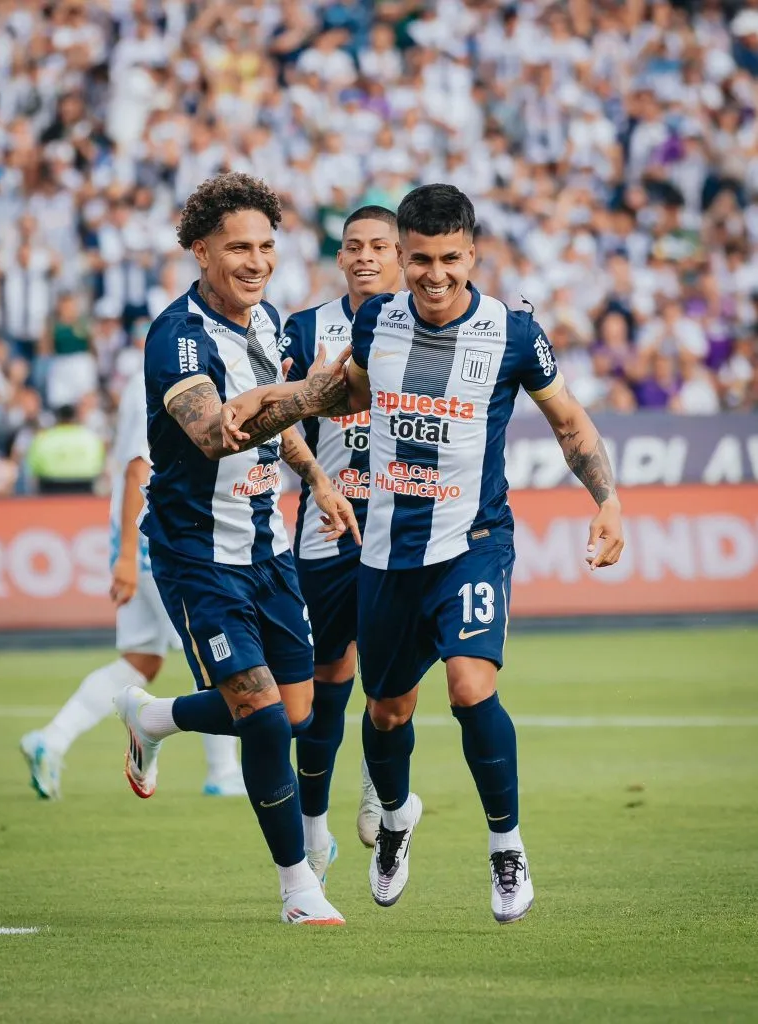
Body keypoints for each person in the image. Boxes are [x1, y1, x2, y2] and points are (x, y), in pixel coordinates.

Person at [220, 183, 625, 925]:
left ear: (472, 255)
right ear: (401, 257)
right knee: (385, 713)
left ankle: (505, 846)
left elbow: (569, 423)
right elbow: (346, 395)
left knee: (470, 688)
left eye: (449, 260)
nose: (435, 276)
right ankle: (396, 818)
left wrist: (607, 500)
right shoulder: (377, 320)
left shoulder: (512, 334)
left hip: (472, 543)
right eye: (420, 261)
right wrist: (272, 401)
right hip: (385, 555)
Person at [113, 172, 359, 926]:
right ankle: (297, 888)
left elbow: (273, 420)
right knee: (260, 716)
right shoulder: (177, 338)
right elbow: (213, 433)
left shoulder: (268, 321)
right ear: (201, 251)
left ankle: (155, 719)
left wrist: (316, 475)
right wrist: (318, 393)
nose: (256, 262)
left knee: (295, 711)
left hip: (267, 546)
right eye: (238, 248)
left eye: (265, 247)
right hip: (196, 553)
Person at [20, 371, 245, 800]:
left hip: (139, 538)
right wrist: (128, 554)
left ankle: (51, 740)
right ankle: (223, 771)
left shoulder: (144, 378)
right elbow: (137, 469)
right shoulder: (165, 379)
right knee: (214, 649)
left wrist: (124, 552)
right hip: (159, 537)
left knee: (141, 660)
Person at [279, 205, 402, 866]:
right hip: (326, 529)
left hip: (402, 527)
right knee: (324, 683)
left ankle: (378, 787)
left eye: (378, 246)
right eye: (354, 246)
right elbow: (277, 416)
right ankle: (312, 831)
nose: (364, 257)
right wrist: (316, 473)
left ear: (399, 255)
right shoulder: (305, 328)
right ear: (340, 257)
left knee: (389, 679)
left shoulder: (425, 324)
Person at [25, 403, 104, 494]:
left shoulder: (43, 438)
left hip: (50, 490)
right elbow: (99, 464)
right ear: (76, 417)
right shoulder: (90, 438)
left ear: (57, 418)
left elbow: (33, 468)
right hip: (84, 489)